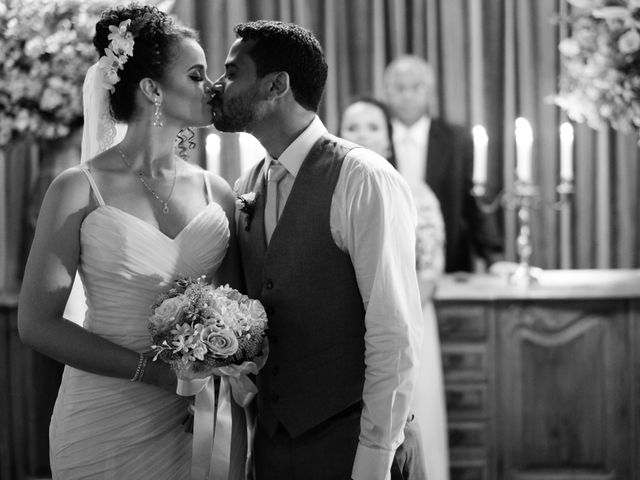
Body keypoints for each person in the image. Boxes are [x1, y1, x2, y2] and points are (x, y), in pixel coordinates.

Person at [18, 4, 242, 479]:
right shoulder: (77, 188)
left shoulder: (217, 192)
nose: (213, 87)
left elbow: (238, 308)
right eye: (198, 75)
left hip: (193, 425)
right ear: (153, 89)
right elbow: (37, 324)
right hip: (103, 417)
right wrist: (158, 374)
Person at [211, 21, 423, 480]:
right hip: (271, 448)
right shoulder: (247, 184)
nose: (217, 85)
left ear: (276, 85)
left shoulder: (363, 178)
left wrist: (373, 461)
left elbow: (394, 332)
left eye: (232, 72)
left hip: (355, 447)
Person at [340, 97, 450, 480]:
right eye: (353, 127)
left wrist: (389, 315)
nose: (363, 135)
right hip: (348, 332)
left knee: (408, 416)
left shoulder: (417, 192)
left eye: (373, 127)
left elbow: (431, 269)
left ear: (388, 140)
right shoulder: (334, 193)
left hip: (408, 320)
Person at [383, 54, 503, 273]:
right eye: (399, 88)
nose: (407, 95)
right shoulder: (375, 138)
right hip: (387, 260)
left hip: (448, 260)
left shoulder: (456, 140)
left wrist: (493, 257)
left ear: (429, 91)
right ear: (387, 92)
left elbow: (474, 200)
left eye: (416, 87)